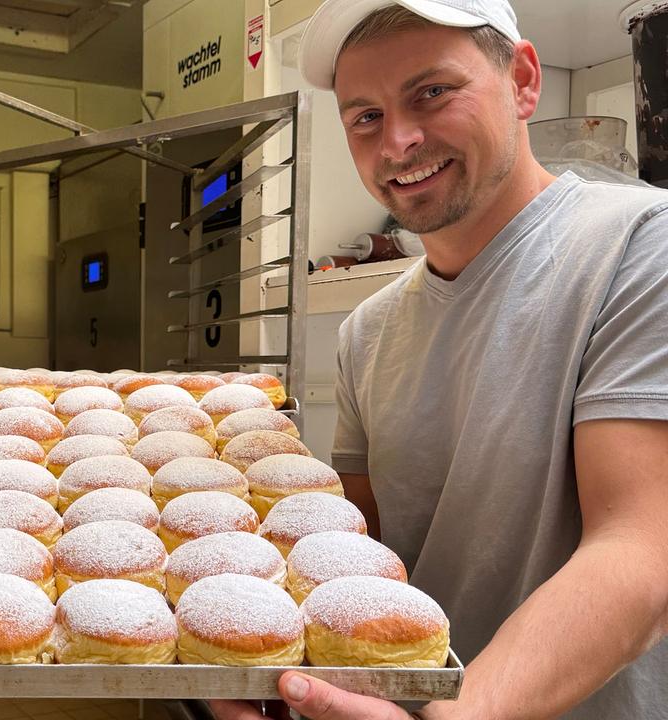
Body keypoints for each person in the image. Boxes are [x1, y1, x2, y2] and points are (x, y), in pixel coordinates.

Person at [210, 1, 668, 719]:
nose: (398, 142)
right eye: (365, 116)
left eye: (432, 92)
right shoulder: (369, 331)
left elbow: (643, 554)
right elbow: (351, 558)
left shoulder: (640, 250)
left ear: (522, 80)